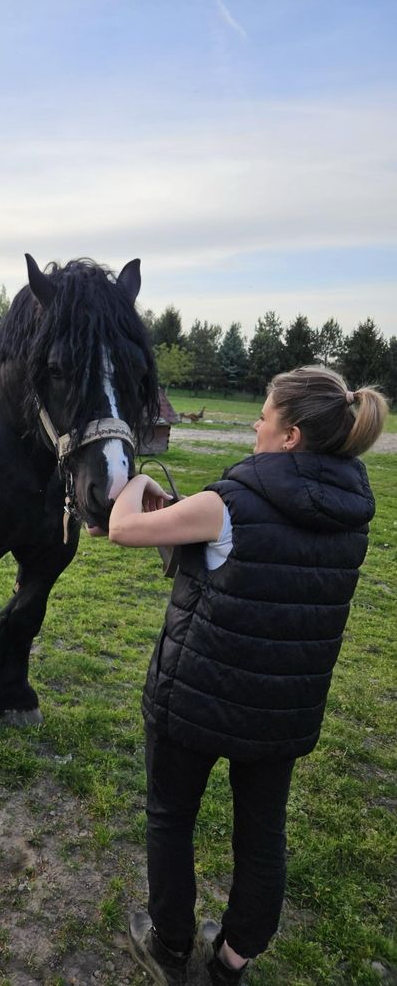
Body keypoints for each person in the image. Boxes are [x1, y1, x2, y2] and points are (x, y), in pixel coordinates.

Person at [104, 367, 388, 985]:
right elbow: (270, 562)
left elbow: (121, 527)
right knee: (263, 836)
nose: (256, 424)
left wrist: (141, 478)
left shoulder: (227, 501)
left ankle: (171, 945)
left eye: (264, 414)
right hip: (282, 710)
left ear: (289, 437)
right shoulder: (353, 513)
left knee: (171, 816)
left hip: (195, 703)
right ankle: (233, 960)